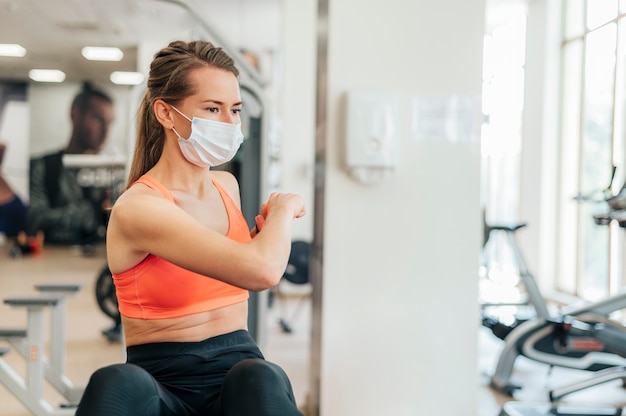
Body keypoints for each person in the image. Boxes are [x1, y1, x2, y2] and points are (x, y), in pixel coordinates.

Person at [75, 40, 306, 416]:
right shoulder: (139, 207)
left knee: (260, 377)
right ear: (166, 113)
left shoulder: (226, 186)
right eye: (213, 109)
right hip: (162, 382)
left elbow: (250, 261)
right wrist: (284, 210)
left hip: (239, 376)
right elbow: (261, 269)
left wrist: (263, 241)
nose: (230, 123)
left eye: (235, 110)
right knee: (116, 382)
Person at [25, 82, 115, 251]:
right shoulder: (43, 167)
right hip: (49, 263)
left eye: (110, 122)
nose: (106, 131)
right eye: (98, 119)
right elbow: (36, 220)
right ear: (75, 115)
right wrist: (93, 210)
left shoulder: (111, 172)